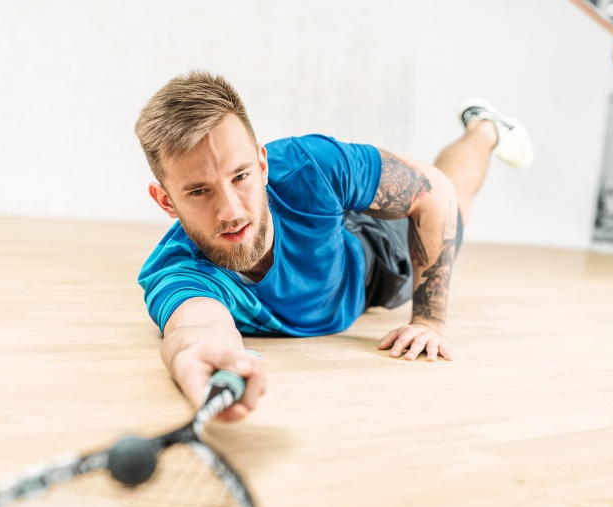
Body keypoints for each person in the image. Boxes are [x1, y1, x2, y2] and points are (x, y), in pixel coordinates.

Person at [135, 70, 532, 421]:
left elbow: (436, 192)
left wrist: (428, 321)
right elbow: (196, 329)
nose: (231, 210)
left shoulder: (312, 165)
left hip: (371, 254)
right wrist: (197, 361)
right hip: (333, 243)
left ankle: (486, 128)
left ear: (262, 163)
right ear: (166, 200)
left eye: (240, 177)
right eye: (200, 191)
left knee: (455, 195)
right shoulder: (178, 273)